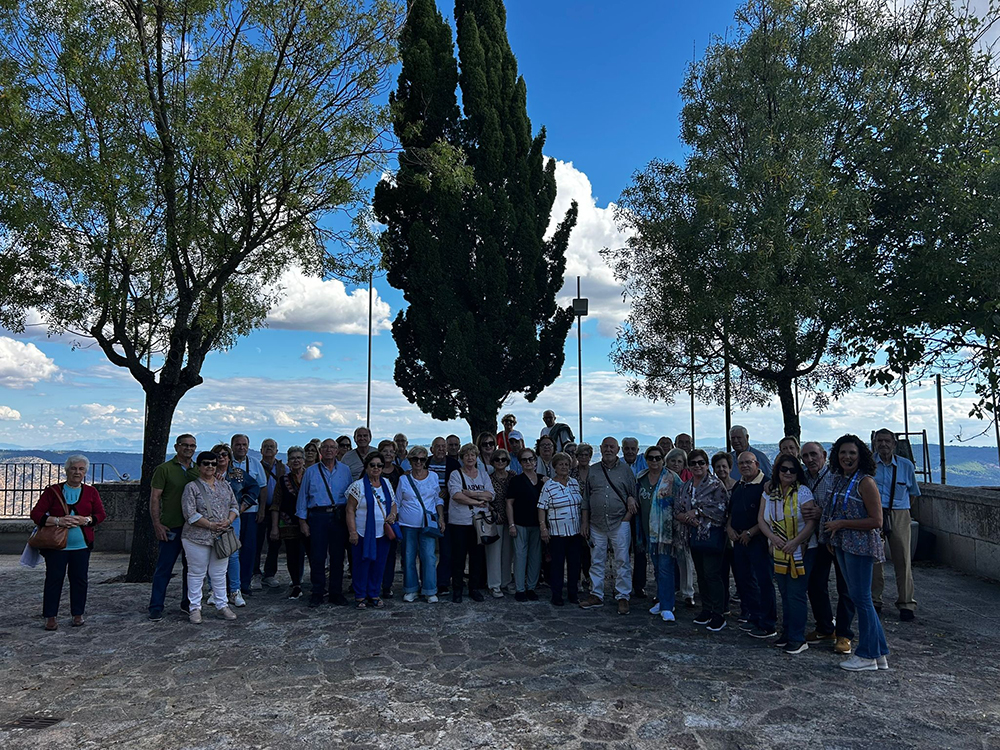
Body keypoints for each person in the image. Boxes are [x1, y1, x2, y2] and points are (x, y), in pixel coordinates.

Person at [821, 434, 890, 672]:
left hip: (860, 547)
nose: (847, 457)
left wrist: (842, 524)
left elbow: (876, 520)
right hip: (843, 543)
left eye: (852, 453)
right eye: (843, 453)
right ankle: (879, 653)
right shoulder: (841, 479)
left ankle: (867, 655)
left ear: (861, 456)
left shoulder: (865, 482)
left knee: (862, 599)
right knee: (860, 598)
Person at [31, 455, 106, 631]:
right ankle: (50, 616)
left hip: (81, 546)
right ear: (67, 471)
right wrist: (58, 521)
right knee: (53, 580)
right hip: (56, 546)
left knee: (80, 580)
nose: (77, 472)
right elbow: (36, 514)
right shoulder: (53, 491)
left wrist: (86, 520)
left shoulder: (91, 492)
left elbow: (101, 514)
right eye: (73, 468)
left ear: (85, 472)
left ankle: (78, 614)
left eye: (81, 469)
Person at [800, 440, 855, 655]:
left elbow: (847, 507)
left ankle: (844, 634)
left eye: (813, 454)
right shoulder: (803, 476)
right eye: (805, 456)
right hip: (817, 540)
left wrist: (821, 513)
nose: (810, 459)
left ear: (823, 455)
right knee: (815, 584)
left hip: (839, 538)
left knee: (845, 587)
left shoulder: (836, 476)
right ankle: (825, 627)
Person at [758, 454, 817, 654]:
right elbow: (761, 519)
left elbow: (811, 522)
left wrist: (795, 542)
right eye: (784, 469)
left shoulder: (803, 492)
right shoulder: (769, 492)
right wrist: (773, 538)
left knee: (796, 593)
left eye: (792, 470)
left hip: (801, 549)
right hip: (778, 548)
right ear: (778, 471)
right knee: (784, 592)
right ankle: (788, 632)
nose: (788, 473)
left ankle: (798, 637)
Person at [580, 436, 638, 615]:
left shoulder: (626, 471)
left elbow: (633, 496)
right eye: (605, 446)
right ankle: (596, 594)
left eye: (612, 447)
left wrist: (627, 518)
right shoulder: (593, 470)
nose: (608, 449)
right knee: (596, 560)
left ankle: (623, 596)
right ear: (601, 448)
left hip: (620, 522)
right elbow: (586, 498)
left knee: (622, 560)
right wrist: (585, 522)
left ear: (618, 449)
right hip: (596, 523)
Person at [180, 451, 240, 623]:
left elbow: (234, 506)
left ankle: (222, 605)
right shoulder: (191, 487)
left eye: (213, 464)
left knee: (219, 573)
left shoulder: (224, 485)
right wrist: (210, 525)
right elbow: (189, 513)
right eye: (206, 463)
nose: (210, 467)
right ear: (199, 466)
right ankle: (195, 608)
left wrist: (228, 521)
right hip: (196, 537)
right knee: (196, 573)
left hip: (220, 536)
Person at [675, 448, 730, 632]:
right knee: (701, 575)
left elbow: (721, 509)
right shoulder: (686, 486)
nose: (697, 466)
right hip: (692, 536)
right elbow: (678, 509)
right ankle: (706, 609)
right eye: (693, 463)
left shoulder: (715, 485)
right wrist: (686, 517)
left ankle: (718, 613)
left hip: (711, 536)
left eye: (701, 463)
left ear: (707, 465)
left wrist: (697, 512)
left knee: (712, 574)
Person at [295, 438, 352, 608]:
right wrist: (302, 522)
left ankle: (336, 592)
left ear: (337, 451)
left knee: (338, 556)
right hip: (317, 516)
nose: (328, 450)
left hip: (339, 516)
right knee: (317, 556)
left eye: (332, 447)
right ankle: (317, 592)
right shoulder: (311, 471)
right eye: (325, 447)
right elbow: (302, 497)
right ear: (320, 451)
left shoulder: (345, 470)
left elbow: (351, 496)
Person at [148, 434, 198, 621]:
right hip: (171, 527)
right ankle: (156, 606)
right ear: (177, 447)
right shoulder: (164, 469)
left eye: (192, 446)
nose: (188, 448)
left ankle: (188, 603)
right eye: (185, 445)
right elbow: (155, 498)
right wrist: (157, 524)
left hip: (193, 528)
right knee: (164, 568)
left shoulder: (198, 470)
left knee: (191, 569)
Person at [727, 452, 776, 639]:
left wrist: (751, 532)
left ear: (757, 464)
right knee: (745, 581)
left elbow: (769, 516)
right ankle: (753, 616)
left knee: (764, 582)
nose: (745, 466)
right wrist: (729, 528)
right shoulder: (739, 485)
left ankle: (768, 623)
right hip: (739, 540)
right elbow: (732, 511)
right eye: (741, 463)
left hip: (758, 540)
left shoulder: (766, 485)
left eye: (749, 462)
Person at [872, 428, 919, 621]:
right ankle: (875, 600)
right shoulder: (869, 465)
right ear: (875, 443)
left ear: (894, 444)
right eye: (879, 441)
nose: (883, 444)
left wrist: (901, 511)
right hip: (874, 513)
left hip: (899, 512)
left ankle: (906, 603)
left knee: (903, 559)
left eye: (887, 441)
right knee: (875, 560)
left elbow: (913, 493)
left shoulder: (905, 465)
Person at [346, 451, 398, 609]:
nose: (376, 468)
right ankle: (360, 595)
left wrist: (392, 515)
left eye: (379, 465)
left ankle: (374, 593)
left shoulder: (386, 483)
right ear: (366, 467)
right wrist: (352, 532)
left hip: (382, 533)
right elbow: (350, 510)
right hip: (362, 533)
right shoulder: (358, 486)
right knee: (362, 564)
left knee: (379, 564)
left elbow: (393, 503)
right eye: (372, 465)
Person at [636, 446, 682, 623]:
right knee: (656, 567)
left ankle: (668, 606)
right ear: (646, 460)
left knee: (665, 568)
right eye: (651, 458)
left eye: (658, 458)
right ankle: (663, 599)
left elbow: (681, 500)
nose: (654, 461)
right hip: (648, 531)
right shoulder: (640, 478)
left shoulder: (672, 478)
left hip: (666, 532)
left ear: (663, 459)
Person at [212, 443, 259, 607]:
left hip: (232, 518)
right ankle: (214, 590)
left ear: (229, 457)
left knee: (232, 553)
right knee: (213, 553)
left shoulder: (237, 474)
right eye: (217, 455)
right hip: (211, 519)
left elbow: (254, 487)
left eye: (224, 454)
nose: (221, 457)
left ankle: (235, 590)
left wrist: (243, 505)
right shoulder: (207, 474)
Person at [447, 443, 494, 602]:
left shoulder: (483, 474)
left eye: (472, 455)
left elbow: (490, 495)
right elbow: (456, 495)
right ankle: (457, 589)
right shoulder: (456, 474)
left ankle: (474, 588)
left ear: (476, 457)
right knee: (458, 557)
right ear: (462, 458)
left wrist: (471, 493)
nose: (470, 458)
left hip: (479, 523)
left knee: (477, 557)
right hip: (459, 522)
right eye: (466, 455)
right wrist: (477, 502)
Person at [397, 445, 444, 602]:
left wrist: (441, 518)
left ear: (426, 461)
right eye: (415, 459)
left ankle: (430, 590)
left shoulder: (433, 477)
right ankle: (411, 589)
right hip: (408, 524)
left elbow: (437, 498)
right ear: (410, 460)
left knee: (429, 557)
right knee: (408, 557)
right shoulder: (403, 479)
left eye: (422, 459)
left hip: (427, 524)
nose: (418, 462)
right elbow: (398, 501)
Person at [538, 452, 583, 606]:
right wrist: (543, 527)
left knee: (574, 565)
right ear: (555, 467)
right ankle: (556, 595)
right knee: (557, 565)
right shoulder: (549, 485)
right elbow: (541, 507)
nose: (564, 467)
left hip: (575, 531)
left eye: (566, 464)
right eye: (561, 464)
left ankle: (573, 594)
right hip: (557, 533)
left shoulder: (574, 483)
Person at [270, 446, 308, 600]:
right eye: (293, 458)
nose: (296, 461)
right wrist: (274, 527)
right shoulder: (282, 480)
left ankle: (318, 585)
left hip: (309, 522)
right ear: (288, 461)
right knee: (292, 554)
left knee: (314, 553)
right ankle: (296, 585)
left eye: (299, 457)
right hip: (289, 522)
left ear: (304, 460)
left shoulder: (310, 477)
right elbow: (276, 503)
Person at [229, 434, 266, 593]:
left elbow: (262, 487)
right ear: (232, 446)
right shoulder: (226, 462)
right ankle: (229, 584)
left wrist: (262, 509)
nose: (241, 447)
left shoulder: (255, 463)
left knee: (249, 549)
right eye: (238, 444)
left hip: (250, 512)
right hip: (229, 514)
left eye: (244, 444)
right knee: (230, 549)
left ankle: (244, 583)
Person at [506, 447, 544, 602]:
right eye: (524, 460)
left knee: (535, 557)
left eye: (531, 459)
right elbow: (509, 504)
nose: (528, 462)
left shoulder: (543, 480)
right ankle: (520, 589)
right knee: (520, 557)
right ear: (520, 463)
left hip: (537, 524)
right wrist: (511, 524)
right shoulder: (516, 481)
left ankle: (531, 587)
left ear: (535, 461)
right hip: (520, 523)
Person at [429, 437, 461, 594]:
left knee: (446, 550)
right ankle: (427, 581)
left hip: (448, 512)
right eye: (438, 446)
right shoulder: (425, 463)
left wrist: (448, 491)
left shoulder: (454, 465)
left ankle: (443, 582)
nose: (441, 449)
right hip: (428, 512)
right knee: (427, 552)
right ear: (432, 449)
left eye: (443, 446)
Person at [622, 437, 649, 598]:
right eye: (627, 448)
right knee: (623, 551)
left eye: (633, 449)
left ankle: (639, 585)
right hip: (622, 514)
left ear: (637, 450)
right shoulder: (618, 465)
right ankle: (623, 585)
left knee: (640, 552)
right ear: (622, 449)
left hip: (641, 514)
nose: (630, 452)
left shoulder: (644, 463)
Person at [258, 438, 286, 589]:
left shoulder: (283, 468)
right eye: (266, 446)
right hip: (260, 509)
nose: (268, 449)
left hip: (278, 510)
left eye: (271, 447)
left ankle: (269, 574)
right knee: (256, 542)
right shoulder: (256, 467)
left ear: (276, 450)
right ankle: (255, 573)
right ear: (261, 450)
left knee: (275, 543)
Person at [488, 448, 515, 596]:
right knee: (494, 553)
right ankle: (494, 584)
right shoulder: (488, 478)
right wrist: (493, 512)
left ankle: (506, 581)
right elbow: (485, 498)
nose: (500, 462)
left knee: (508, 553)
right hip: (495, 518)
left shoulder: (513, 476)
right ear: (492, 462)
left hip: (511, 519)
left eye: (503, 459)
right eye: (497, 459)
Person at [379, 440, 404, 599]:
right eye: (385, 451)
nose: (388, 454)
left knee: (390, 553)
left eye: (391, 451)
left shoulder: (399, 472)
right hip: (375, 516)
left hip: (393, 517)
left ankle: (387, 585)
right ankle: (374, 583)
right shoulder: (373, 468)